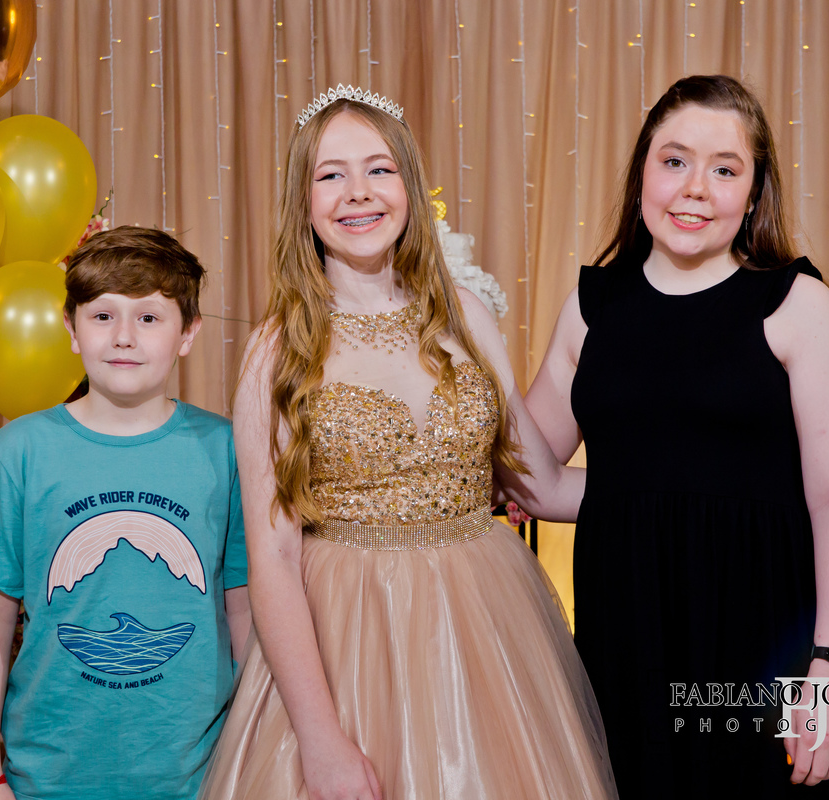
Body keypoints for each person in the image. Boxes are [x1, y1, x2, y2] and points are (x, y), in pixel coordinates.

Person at [198, 87, 617, 800]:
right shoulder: (278, 351)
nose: (358, 192)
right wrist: (320, 740)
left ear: (410, 187)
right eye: (331, 174)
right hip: (347, 635)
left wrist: (687, 489)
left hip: (485, 626)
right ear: (303, 201)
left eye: (379, 169)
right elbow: (273, 558)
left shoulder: (465, 315)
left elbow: (540, 482)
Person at [520, 75, 829, 798]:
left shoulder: (797, 304)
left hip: (764, 644)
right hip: (627, 638)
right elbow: (537, 482)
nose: (695, 189)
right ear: (642, 173)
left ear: (754, 192)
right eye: (675, 161)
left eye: (725, 169)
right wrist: (472, 347)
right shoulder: (591, 308)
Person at [0, 227, 250, 800]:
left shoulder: (226, 449)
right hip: (48, 772)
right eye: (102, 316)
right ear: (71, 328)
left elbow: (244, 608)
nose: (123, 337)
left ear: (188, 332)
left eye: (149, 318)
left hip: (200, 774)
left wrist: (254, 749)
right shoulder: (18, 451)